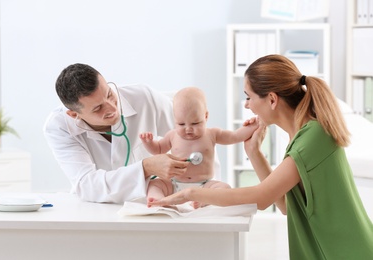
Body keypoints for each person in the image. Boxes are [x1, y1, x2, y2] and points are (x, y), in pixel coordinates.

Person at [148, 55, 373, 259]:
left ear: (272, 100)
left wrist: (190, 192)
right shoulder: (302, 136)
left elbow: (262, 197)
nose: (247, 105)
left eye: (249, 97)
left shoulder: (313, 137)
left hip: (345, 251)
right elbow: (285, 205)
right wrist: (253, 152)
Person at [43, 63, 196, 203]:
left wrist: (203, 189)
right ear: (74, 114)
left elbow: (197, 139)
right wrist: (146, 168)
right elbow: (87, 186)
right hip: (97, 209)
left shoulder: (144, 97)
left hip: (156, 200)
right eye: (97, 108)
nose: (111, 108)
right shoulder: (59, 127)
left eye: (109, 94)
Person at [140, 87, 258, 208]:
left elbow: (234, 136)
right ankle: (158, 200)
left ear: (206, 116)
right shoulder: (172, 135)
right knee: (155, 184)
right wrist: (149, 142)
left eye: (195, 123)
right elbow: (158, 150)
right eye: (181, 124)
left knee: (224, 188)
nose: (188, 129)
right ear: (175, 119)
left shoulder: (212, 134)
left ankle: (203, 200)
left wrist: (252, 126)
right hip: (175, 184)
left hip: (204, 186)